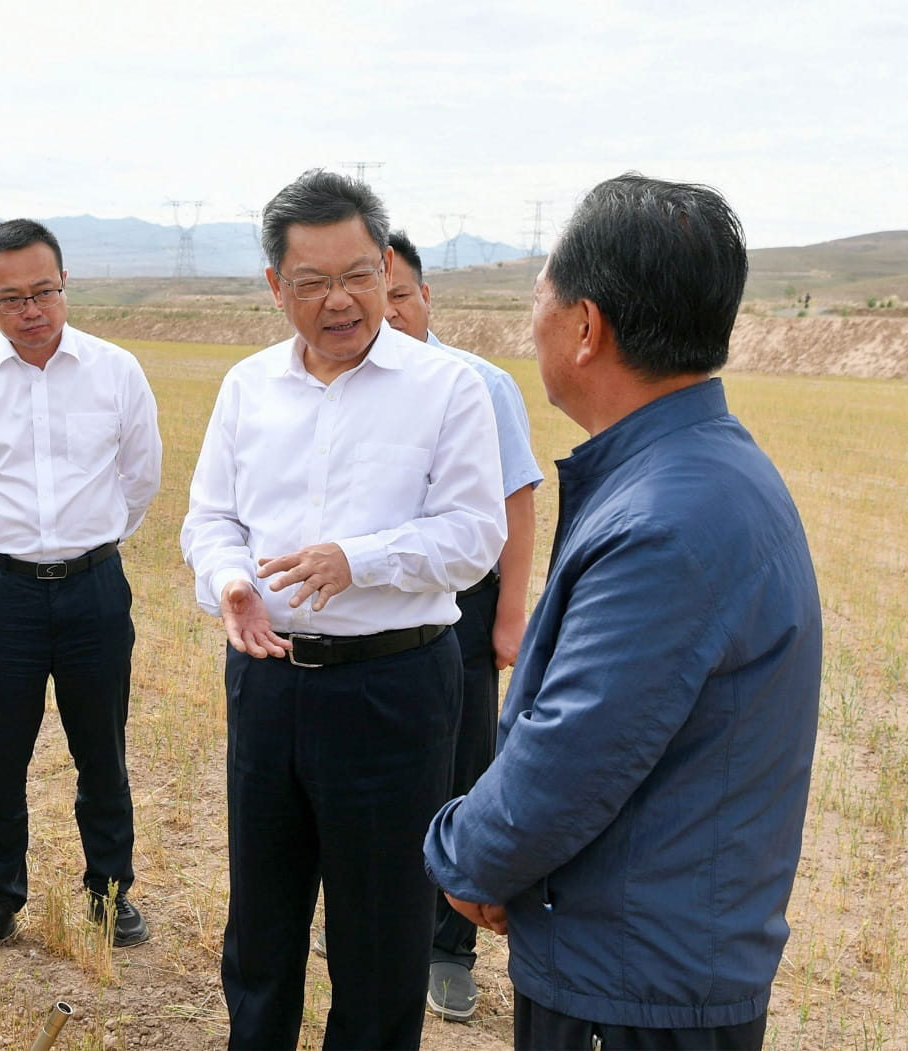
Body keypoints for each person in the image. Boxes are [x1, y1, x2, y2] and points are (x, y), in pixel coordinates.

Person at [424, 174, 822, 1051]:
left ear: (585, 326)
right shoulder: (697, 472)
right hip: (648, 953)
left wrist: (465, 855)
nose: (533, 316)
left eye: (540, 294)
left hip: (633, 985)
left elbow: (572, 753)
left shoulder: (668, 518)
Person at [181, 169, 506, 1050]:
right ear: (275, 285)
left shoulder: (446, 387)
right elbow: (211, 517)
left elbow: (474, 535)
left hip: (391, 686)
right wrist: (231, 582)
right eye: (314, 281)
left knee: (381, 937)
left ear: (387, 268)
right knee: (262, 920)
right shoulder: (248, 386)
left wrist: (355, 559)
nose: (341, 300)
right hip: (268, 679)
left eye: (360, 275)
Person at [0, 219, 162, 953]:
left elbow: (140, 477)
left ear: (65, 284)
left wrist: (86, 542)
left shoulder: (116, 370)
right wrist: (12, 543)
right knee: (1, 752)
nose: (32, 310)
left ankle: (109, 892)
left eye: (44, 291)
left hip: (95, 589)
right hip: (3, 594)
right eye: (12, 299)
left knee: (103, 750)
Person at [380, 230, 543, 1021]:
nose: (387, 311)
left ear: (425, 295)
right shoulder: (349, 387)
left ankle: (450, 948)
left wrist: (509, 615)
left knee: (463, 770)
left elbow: (517, 504)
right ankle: (383, 920)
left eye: (399, 294)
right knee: (377, 768)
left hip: (465, 607)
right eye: (373, 296)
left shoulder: (482, 383)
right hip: (378, 610)